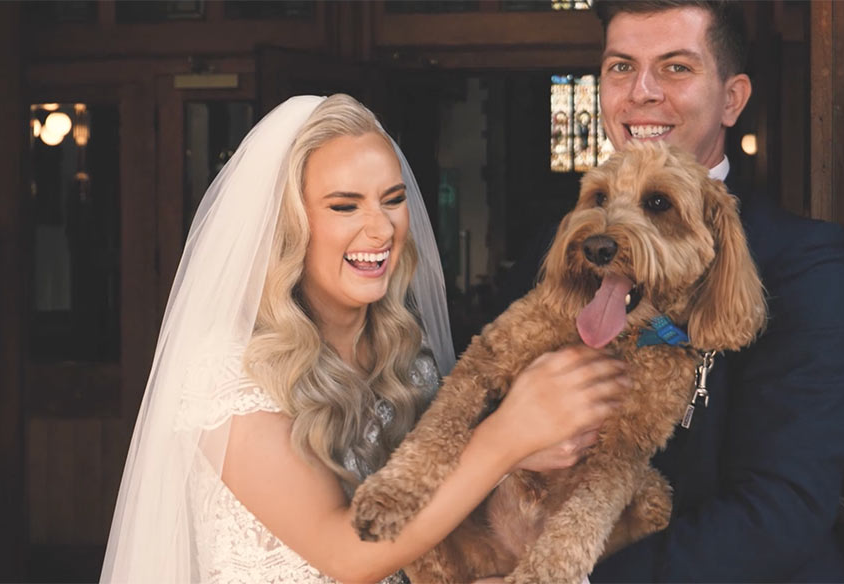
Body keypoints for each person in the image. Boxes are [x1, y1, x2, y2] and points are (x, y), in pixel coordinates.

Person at [100, 94, 627, 584]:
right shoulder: (231, 375)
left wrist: (523, 454)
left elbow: (428, 543)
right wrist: (504, 438)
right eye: (345, 206)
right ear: (291, 224)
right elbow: (346, 553)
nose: (380, 229)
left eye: (392, 200)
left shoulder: (407, 357)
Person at [500, 1, 844, 581]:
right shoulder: (557, 243)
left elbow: (782, 509)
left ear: (732, 99)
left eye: (675, 67)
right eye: (621, 67)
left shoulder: (804, 262)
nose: (641, 92)